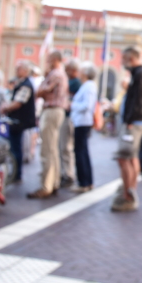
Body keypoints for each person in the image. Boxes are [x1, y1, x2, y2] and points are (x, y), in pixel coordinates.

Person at [111, 47, 142, 212]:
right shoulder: (138, 74)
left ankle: (128, 196)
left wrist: (129, 121)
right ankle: (130, 191)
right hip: (136, 121)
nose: (122, 62)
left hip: (133, 123)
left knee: (124, 158)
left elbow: (138, 101)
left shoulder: (140, 75)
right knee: (131, 157)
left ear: (132, 58)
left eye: (124, 59)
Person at [29, 51, 69, 199]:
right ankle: (53, 182)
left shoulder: (55, 74)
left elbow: (40, 91)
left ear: (55, 60)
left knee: (47, 150)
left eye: (49, 59)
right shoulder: (60, 74)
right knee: (52, 150)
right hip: (56, 111)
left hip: (52, 110)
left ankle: (46, 185)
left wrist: (44, 78)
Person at [0, 61, 36, 182]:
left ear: (25, 71)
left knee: (16, 147)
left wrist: (6, 108)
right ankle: (16, 172)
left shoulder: (26, 85)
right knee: (15, 146)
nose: (16, 71)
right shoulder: (22, 83)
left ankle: (17, 174)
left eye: (18, 69)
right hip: (18, 119)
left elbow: (18, 103)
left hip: (19, 120)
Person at [70, 62, 98, 193]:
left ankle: (84, 182)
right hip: (81, 122)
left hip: (83, 122)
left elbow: (87, 105)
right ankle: (87, 181)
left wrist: (72, 105)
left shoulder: (89, 86)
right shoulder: (87, 86)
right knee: (83, 152)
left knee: (80, 152)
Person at [59, 59, 80, 188]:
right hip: (66, 117)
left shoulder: (75, 83)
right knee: (63, 146)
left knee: (66, 146)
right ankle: (65, 172)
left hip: (69, 118)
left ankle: (68, 173)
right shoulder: (72, 81)